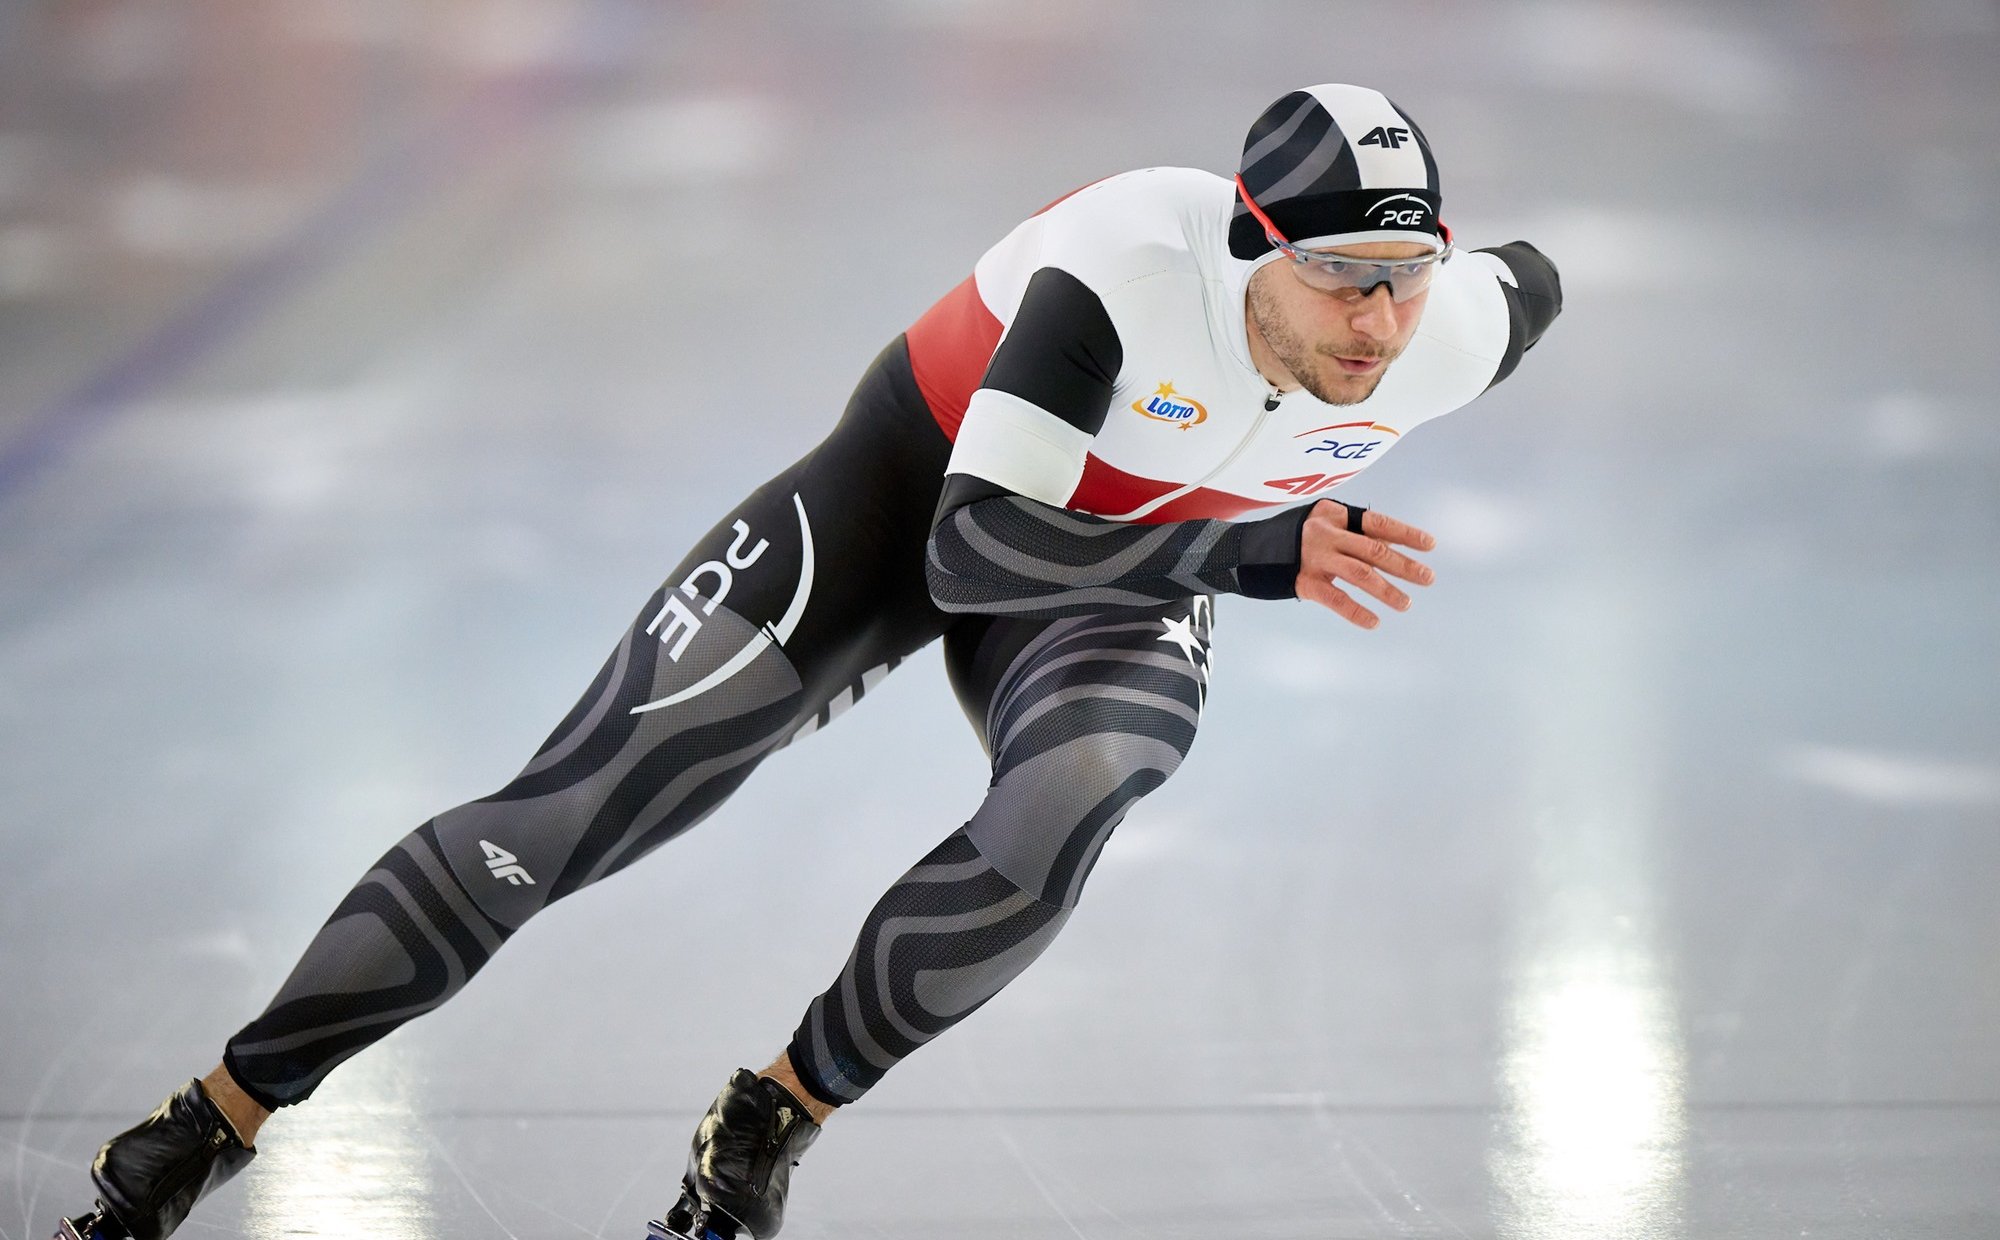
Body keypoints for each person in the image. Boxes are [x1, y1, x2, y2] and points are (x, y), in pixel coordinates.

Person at [58, 82, 1561, 1240]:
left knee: (1086, 786)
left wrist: (1224, 535)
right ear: (1250, 241)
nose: (1376, 322)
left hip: (1111, 569)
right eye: (1340, 276)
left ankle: (771, 1122)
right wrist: (1246, 552)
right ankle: (202, 1130)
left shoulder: (1452, 328)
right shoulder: (1123, 265)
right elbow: (972, 552)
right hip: (912, 495)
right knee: (568, 819)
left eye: (1404, 277)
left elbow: (1530, 278)